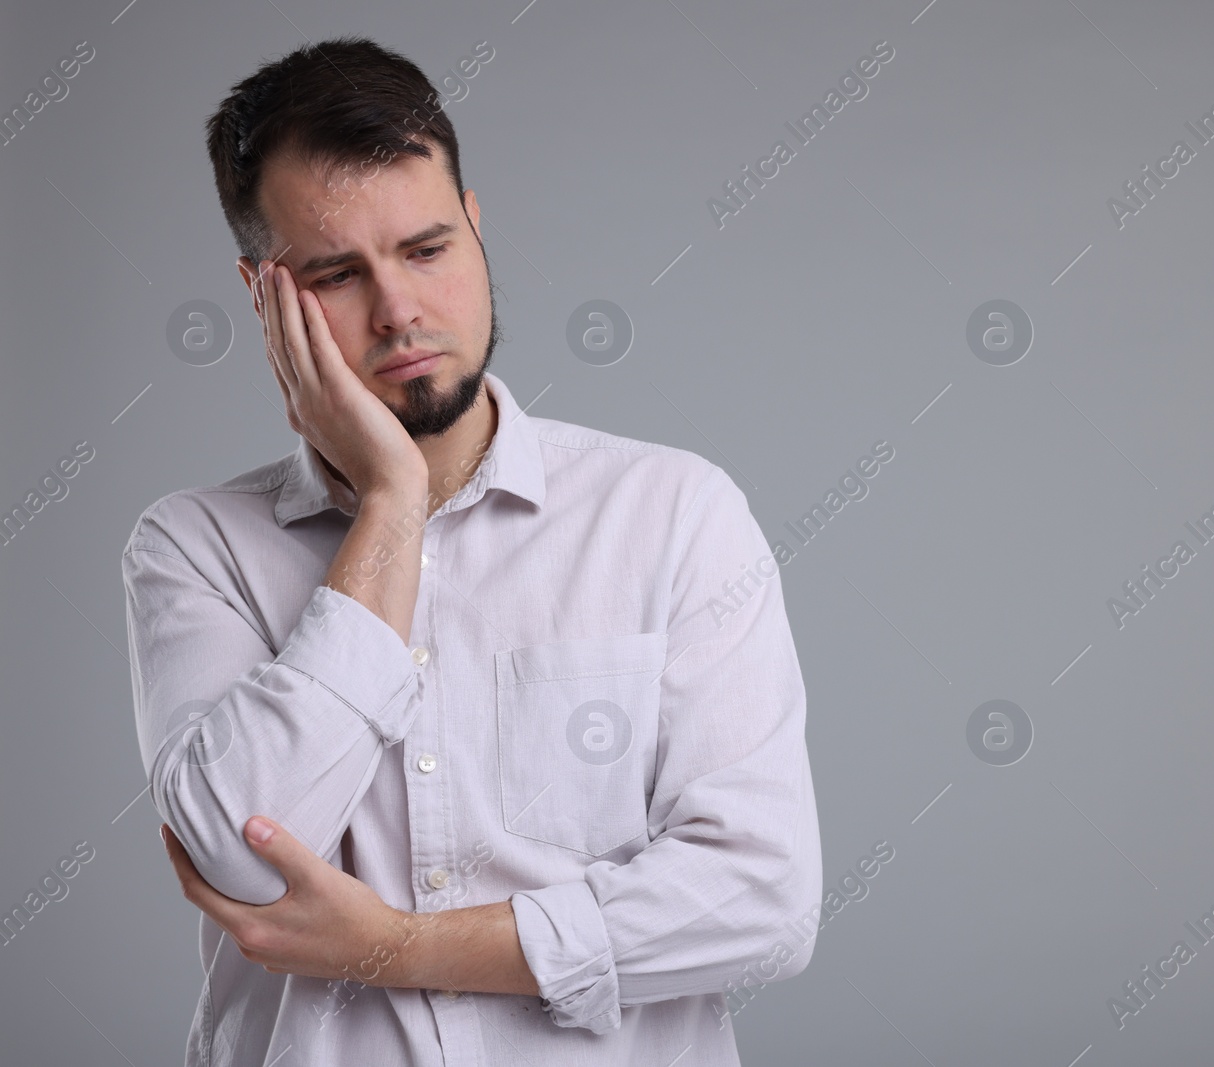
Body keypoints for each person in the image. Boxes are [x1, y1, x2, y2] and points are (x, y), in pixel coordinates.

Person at [122, 35, 821, 1066]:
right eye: (336, 273)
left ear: (476, 227)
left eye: (426, 248)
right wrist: (393, 504)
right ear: (263, 295)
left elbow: (762, 899)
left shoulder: (673, 512)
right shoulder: (194, 547)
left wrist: (398, 948)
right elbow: (244, 856)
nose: (400, 309)